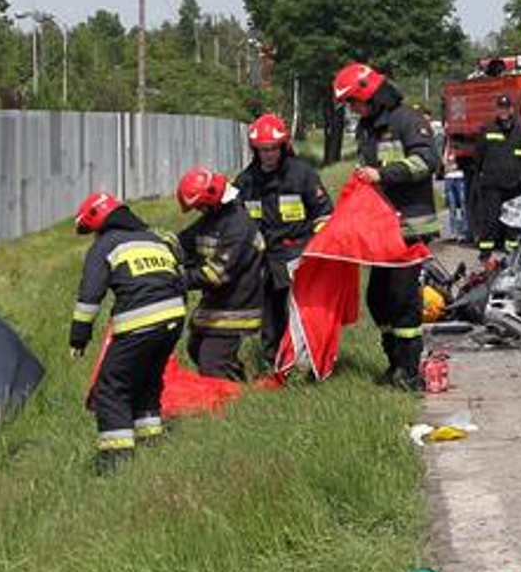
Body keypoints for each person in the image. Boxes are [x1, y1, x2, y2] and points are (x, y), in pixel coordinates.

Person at [333, 61, 441, 388]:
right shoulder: (368, 127)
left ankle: (408, 372)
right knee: (378, 300)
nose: (352, 108)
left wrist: (383, 174)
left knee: (403, 301)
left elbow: (427, 161)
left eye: (353, 101)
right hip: (382, 229)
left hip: (410, 226)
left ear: (372, 95)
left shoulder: (408, 121)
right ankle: (394, 363)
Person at [69, 192, 187, 472]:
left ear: (98, 222)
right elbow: (178, 280)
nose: (93, 236)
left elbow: (89, 296)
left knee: (110, 389)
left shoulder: (105, 246)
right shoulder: (153, 239)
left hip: (140, 323)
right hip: (173, 320)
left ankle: (116, 460)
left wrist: (78, 337)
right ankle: (151, 444)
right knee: (147, 382)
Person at [233, 113, 332, 359]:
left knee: (299, 315)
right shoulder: (246, 182)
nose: (268, 154)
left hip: (298, 257)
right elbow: (234, 222)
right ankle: (273, 362)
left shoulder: (302, 175)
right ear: (254, 149)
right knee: (270, 314)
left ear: (283, 146)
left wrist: (317, 252)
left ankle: (302, 361)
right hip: (265, 261)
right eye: (262, 149)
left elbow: (324, 215)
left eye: (273, 148)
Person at [175, 166, 266, 381]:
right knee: (195, 347)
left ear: (211, 201)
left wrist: (174, 281)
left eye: (200, 206)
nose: (198, 211)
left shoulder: (238, 226)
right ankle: (238, 383)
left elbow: (216, 275)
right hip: (217, 305)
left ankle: (228, 403)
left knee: (212, 365)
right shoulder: (214, 217)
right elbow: (183, 242)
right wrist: (157, 247)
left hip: (237, 309)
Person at [471, 93, 521, 258]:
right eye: (500, 108)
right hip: (492, 184)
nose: (503, 112)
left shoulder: (520, 129)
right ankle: (485, 254)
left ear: (512, 109)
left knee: (513, 222)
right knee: (491, 221)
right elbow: (478, 156)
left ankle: (512, 255)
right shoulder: (488, 129)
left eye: (506, 108)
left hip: (514, 184)